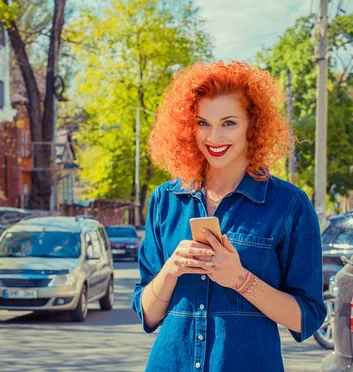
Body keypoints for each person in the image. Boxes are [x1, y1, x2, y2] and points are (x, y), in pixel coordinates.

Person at [132, 61, 326, 371]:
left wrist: (240, 279)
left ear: (253, 124)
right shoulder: (164, 201)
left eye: (229, 123)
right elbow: (148, 315)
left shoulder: (290, 205)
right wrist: (172, 269)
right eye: (202, 123)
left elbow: (308, 317)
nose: (214, 136)